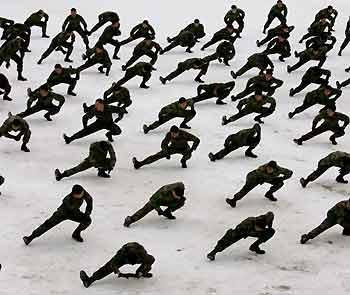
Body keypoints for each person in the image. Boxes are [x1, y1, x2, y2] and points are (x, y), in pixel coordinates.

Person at [23, 185, 92, 245]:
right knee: (47, 224)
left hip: (74, 213)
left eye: (81, 193)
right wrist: (78, 213)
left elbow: (89, 203)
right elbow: (71, 209)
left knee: (87, 220)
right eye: (78, 195)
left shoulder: (84, 193)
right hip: (62, 213)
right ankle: (30, 237)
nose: (81, 195)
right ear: (73, 194)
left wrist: (87, 214)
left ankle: (76, 234)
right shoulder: (67, 199)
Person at [79, 242, 155, 288]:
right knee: (107, 268)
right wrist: (117, 272)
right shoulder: (121, 254)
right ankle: (89, 280)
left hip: (136, 258)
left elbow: (151, 260)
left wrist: (142, 271)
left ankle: (141, 273)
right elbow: (112, 264)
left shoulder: (142, 254)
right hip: (123, 259)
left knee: (150, 260)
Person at [207, 212, 275, 260]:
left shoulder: (267, 219)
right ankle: (212, 253)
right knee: (227, 240)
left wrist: (267, 228)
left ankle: (254, 246)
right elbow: (227, 238)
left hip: (253, 231)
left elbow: (269, 226)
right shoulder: (251, 221)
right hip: (243, 230)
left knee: (271, 232)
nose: (259, 229)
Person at [226, 161, 293, 208]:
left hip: (269, 178)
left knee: (280, 183)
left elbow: (290, 172)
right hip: (256, 178)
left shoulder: (279, 169)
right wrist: (248, 183)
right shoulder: (260, 170)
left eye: (271, 169)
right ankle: (234, 200)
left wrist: (282, 178)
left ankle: (269, 194)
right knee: (246, 189)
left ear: (274, 168)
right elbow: (249, 176)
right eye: (268, 168)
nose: (269, 169)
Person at [133, 125, 200, 169]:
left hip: (184, 148)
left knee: (188, 155)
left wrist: (192, 149)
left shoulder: (185, 134)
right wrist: (166, 152)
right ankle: (139, 164)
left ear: (178, 132)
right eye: (171, 134)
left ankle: (183, 161)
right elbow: (164, 144)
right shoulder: (169, 135)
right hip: (172, 148)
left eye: (174, 134)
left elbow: (197, 140)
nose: (172, 135)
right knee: (157, 155)